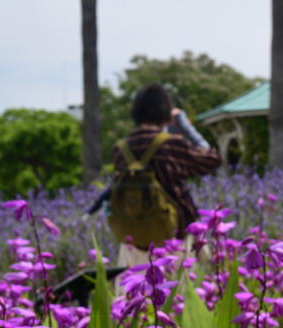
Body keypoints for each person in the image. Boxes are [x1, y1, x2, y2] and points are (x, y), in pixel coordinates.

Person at [89, 83, 221, 269]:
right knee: (179, 296)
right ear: (165, 113)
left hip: (133, 244)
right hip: (175, 243)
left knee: (136, 297)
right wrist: (184, 125)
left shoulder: (121, 148)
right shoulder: (171, 144)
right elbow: (213, 159)